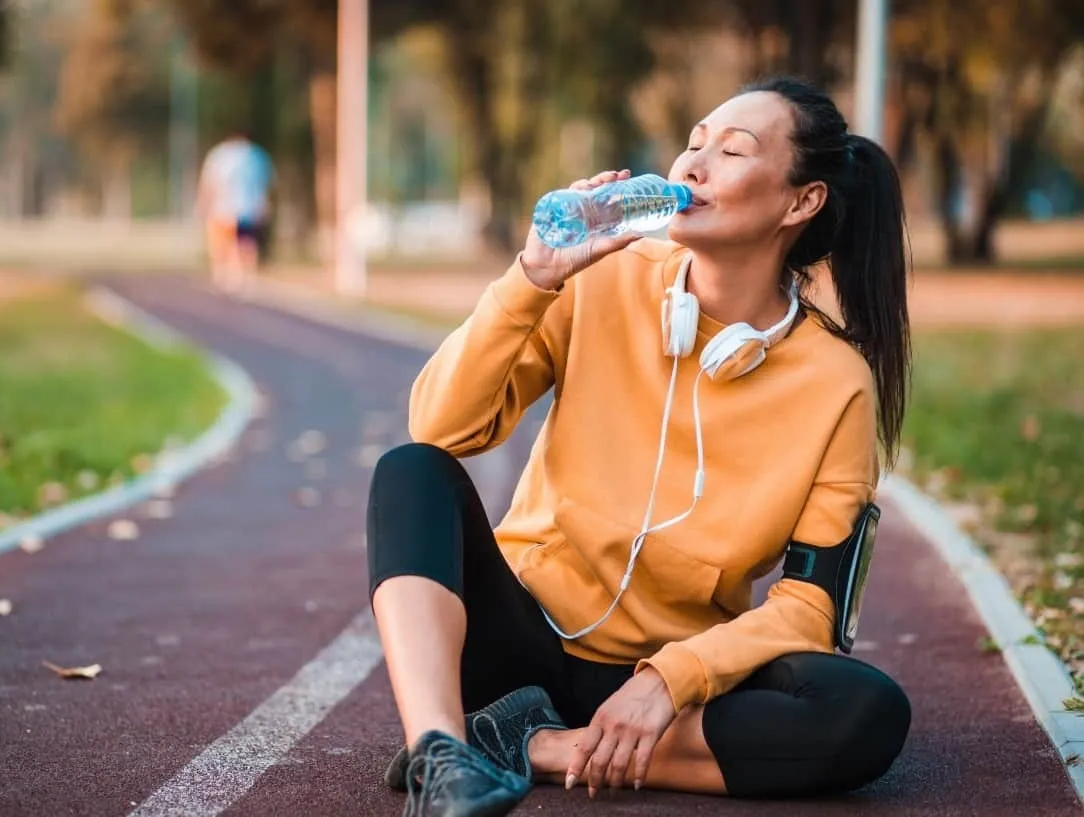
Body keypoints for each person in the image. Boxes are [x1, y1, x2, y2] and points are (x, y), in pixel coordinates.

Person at [366, 76, 913, 817]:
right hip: (517, 645)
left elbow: (810, 608)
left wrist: (670, 678)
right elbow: (443, 427)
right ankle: (441, 753)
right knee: (411, 471)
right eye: (693, 142)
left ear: (800, 201)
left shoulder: (836, 383)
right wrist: (533, 280)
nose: (693, 164)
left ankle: (534, 747)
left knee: (865, 712)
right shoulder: (602, 278)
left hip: (663, 682)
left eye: (732, 150)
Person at [197, 132, 275, 292]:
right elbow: (266, 184)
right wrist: (264, 205)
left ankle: (224, 276)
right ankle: (245, 279)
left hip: (223, 209)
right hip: (249, 209)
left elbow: (209, 183)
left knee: (224, 244)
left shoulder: (219, 155)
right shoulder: (256, 155)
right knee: (246, 244)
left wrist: (203, 205)